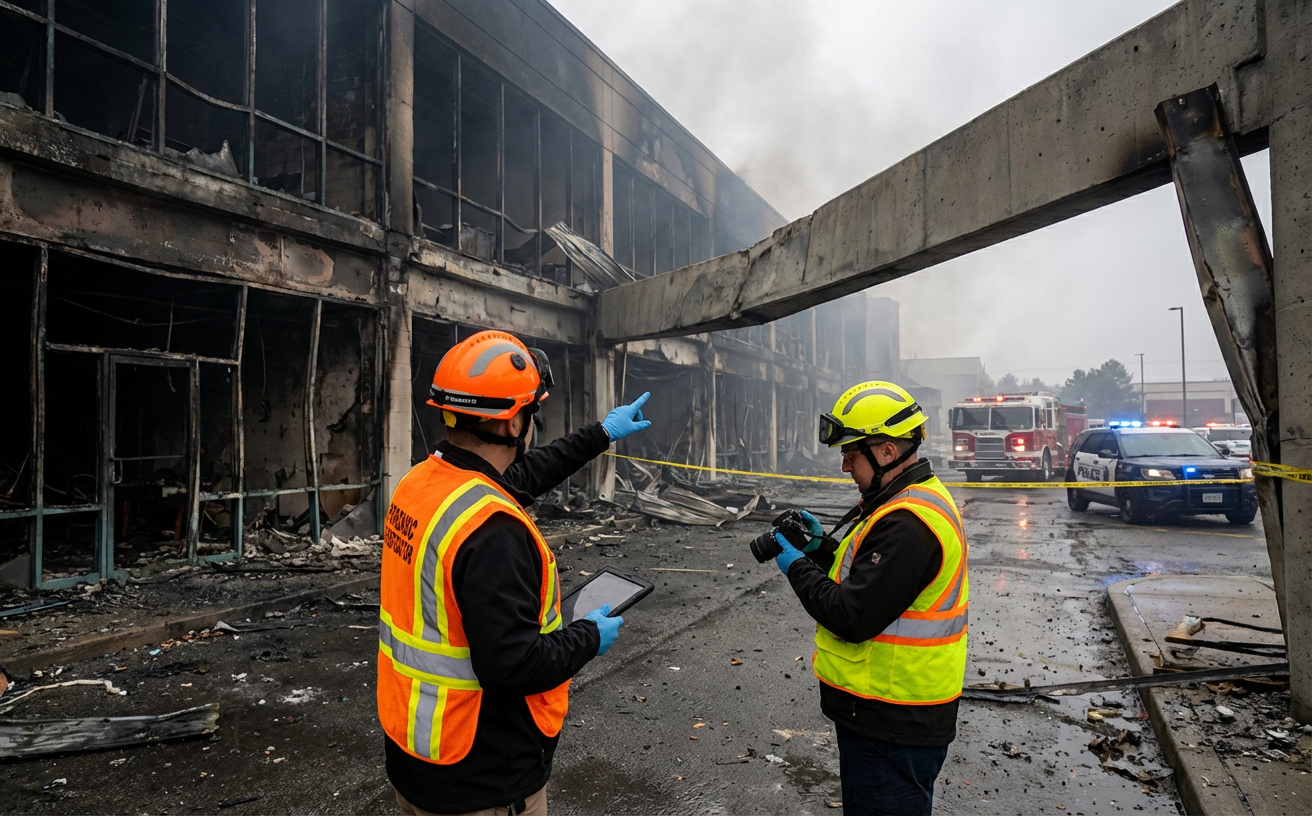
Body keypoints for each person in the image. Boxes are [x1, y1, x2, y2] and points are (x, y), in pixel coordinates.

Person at [377, 330, 652, 816]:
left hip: (416, 757)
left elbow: (521, 477)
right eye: (532, 412)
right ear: (512, 425)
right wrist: (589, 636)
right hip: (481, 779)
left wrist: (602, 433)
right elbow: (513, 666)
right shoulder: (493, 531)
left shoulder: (419, 485)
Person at [774, 381, 968, 816]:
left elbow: (851, 613)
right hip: (889, 714)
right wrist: (821, 548)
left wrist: (792, 564)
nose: (844, 466)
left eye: (851, 453)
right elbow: (868, 579)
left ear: (886, 452)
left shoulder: (907, 522)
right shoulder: (903, 501)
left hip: (893, 720)